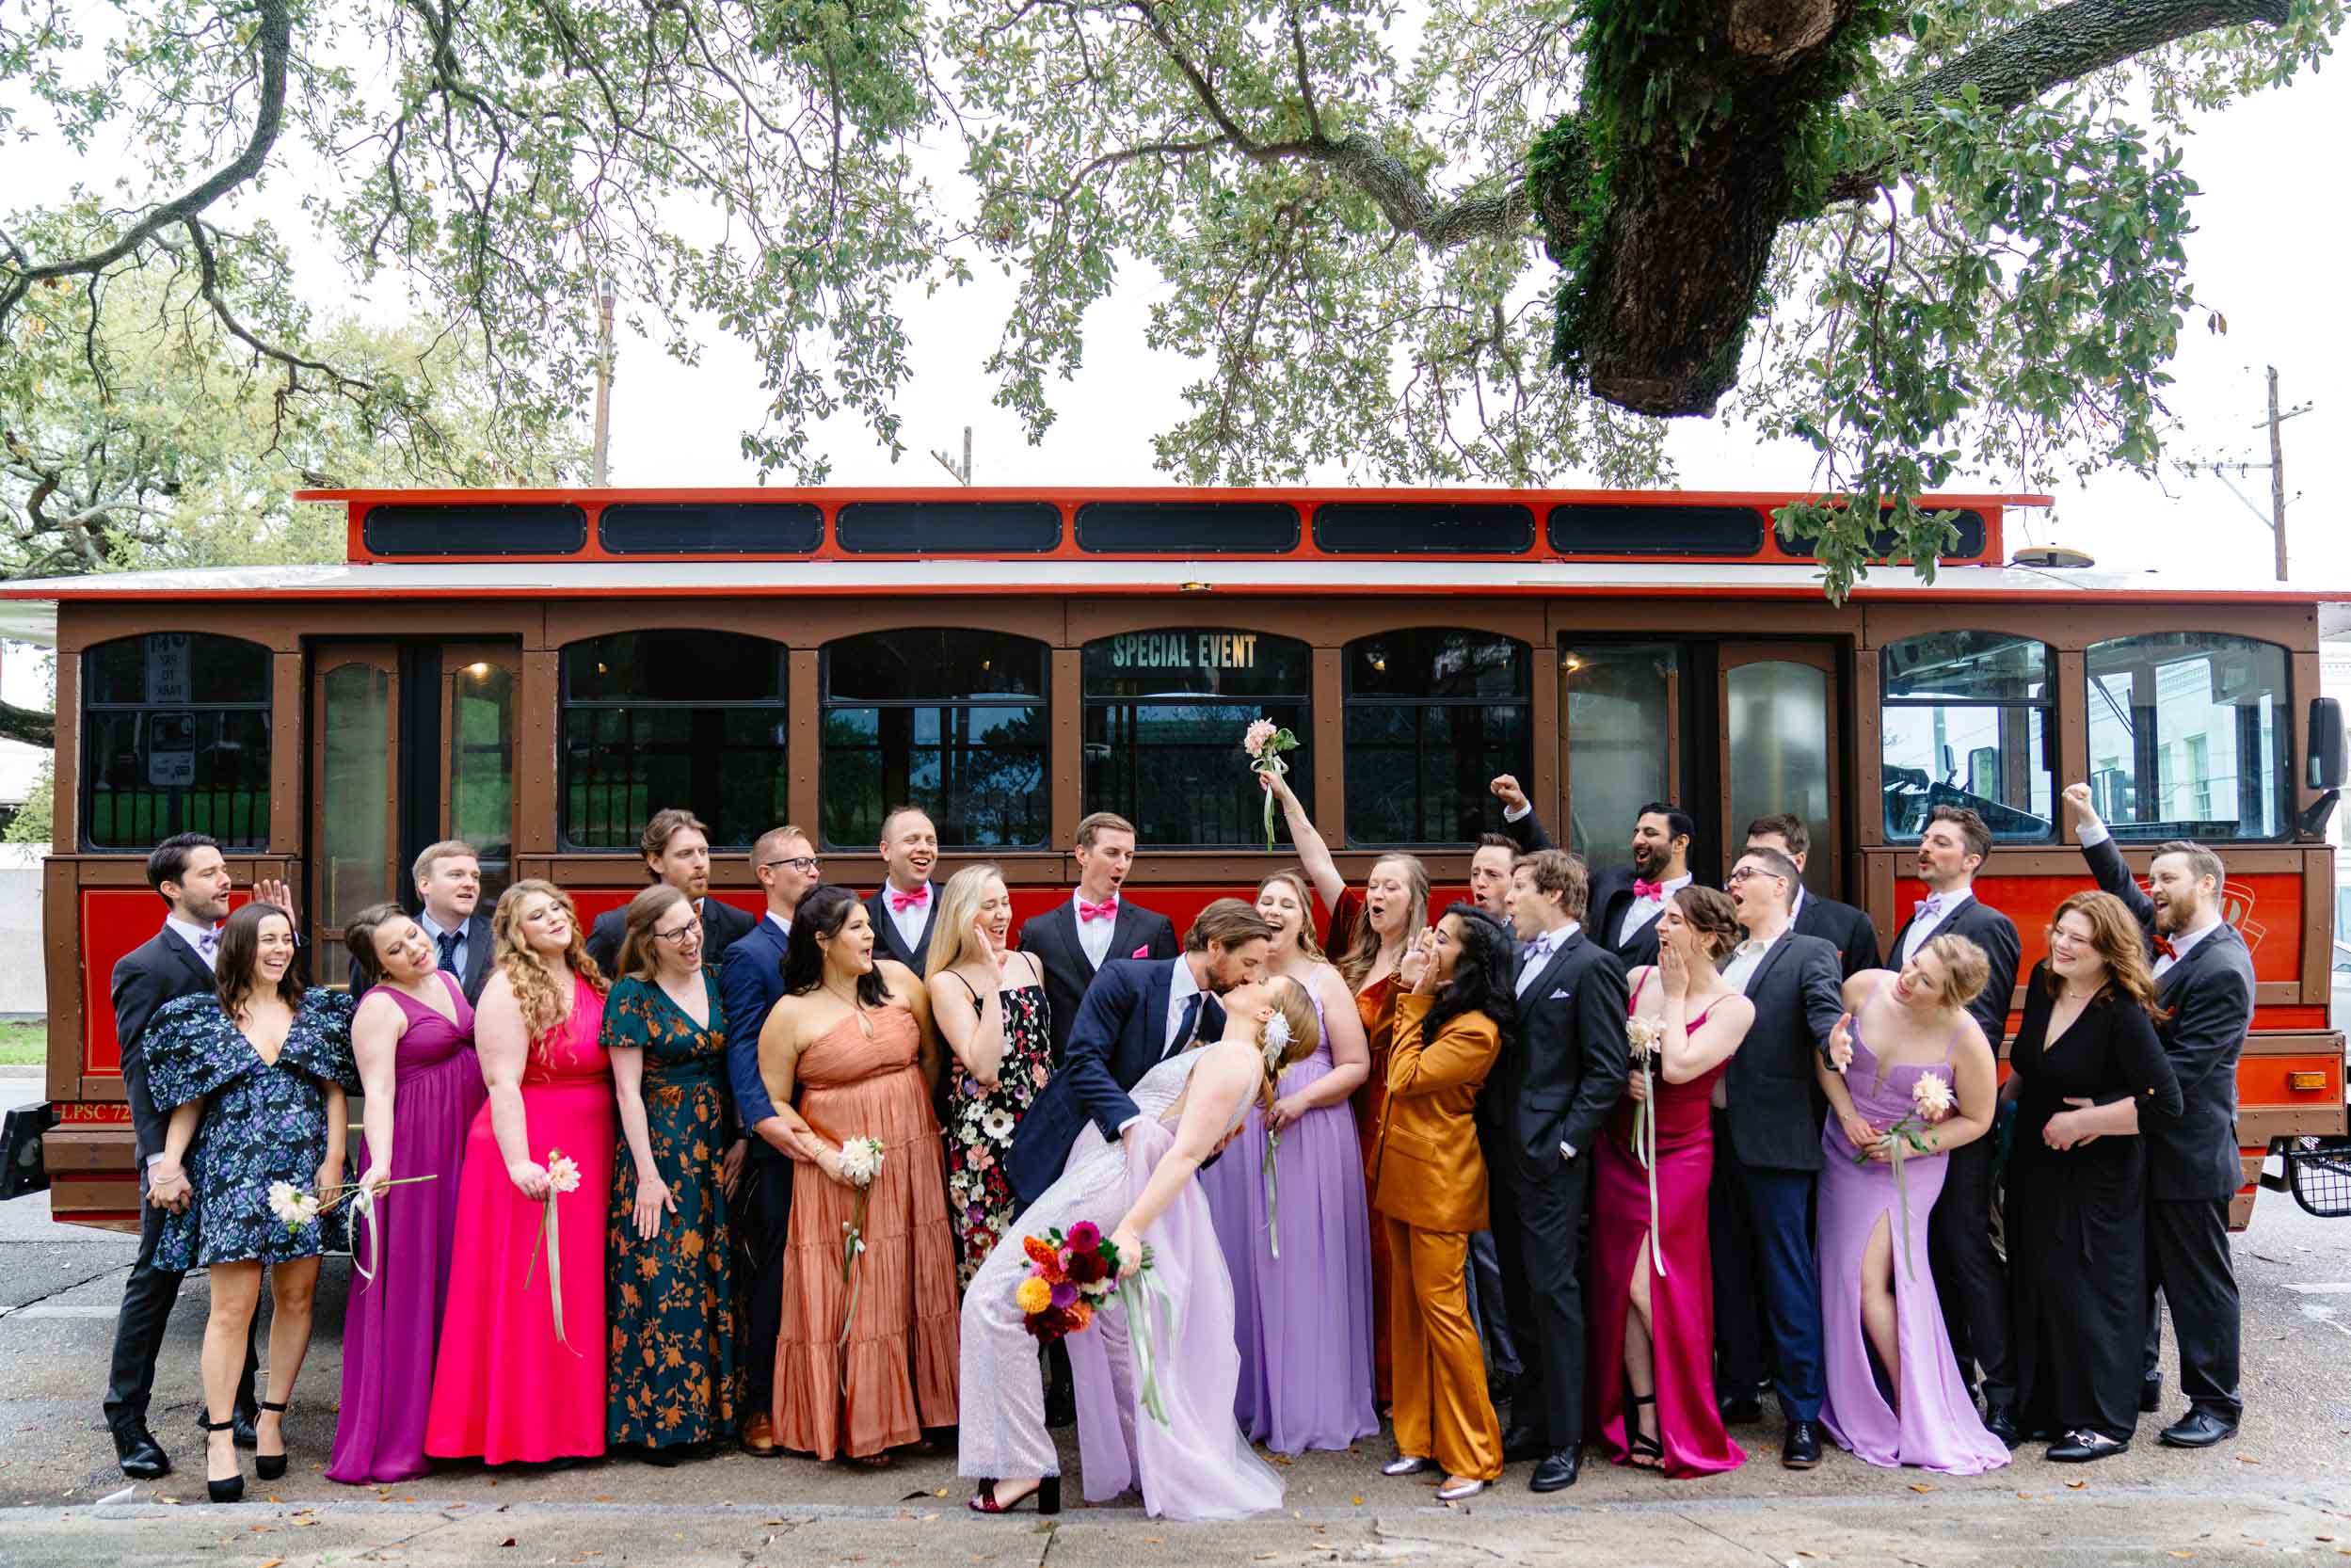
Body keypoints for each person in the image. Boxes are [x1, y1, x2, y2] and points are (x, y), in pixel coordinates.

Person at [958, 975, 1322, 1520]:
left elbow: (1184, 1155)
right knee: (1115, 1330)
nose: (1247, 978)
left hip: (1116, 1181)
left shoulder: (1232, 1061)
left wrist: (1128, 1227)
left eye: (1259, 981)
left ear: (1269, 1015)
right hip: (1114, 1174)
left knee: (992, 1298)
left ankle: (1021, 1462)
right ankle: (1142, 1459)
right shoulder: (1232, 1058)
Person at [141, 902, 358, 1502]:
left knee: (296, 1296)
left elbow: (335, 1092)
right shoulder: (202, 1017)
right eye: (267, 939)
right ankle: (216, 1436)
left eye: (287, 938)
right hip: (232, 1177)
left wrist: (334, 1164)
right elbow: (189, 1103)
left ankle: (271, 1419)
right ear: (239, 945)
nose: (280, 949)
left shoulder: (318, 1011)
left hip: (301, 1174)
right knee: (230, 1311)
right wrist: (170, 1161)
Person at [2063, 784, 2253, 1450]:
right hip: (2144, 1149)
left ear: (2206, 884)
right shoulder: (2166, 937)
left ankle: (2216, 1404)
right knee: (2135, 1272)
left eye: (2166, 880)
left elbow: (2185, 1076)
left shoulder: (2223, 968)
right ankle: (2138, 1379)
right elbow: (2119, 886)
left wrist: (2103, 1112)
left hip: (2188, 1155)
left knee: (2196, 1284)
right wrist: (2091, 825)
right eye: (2152, 881)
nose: (2153, 890)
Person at [759, 884, 958, 1464]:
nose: (870, 935)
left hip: (912, 1151)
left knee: (915, 1275)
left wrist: (916, 1123)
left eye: (870, 924)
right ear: (821, 942)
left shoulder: (902, 982)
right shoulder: (790, 1012)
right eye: (855, 928)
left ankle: (924, 1411)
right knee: (861, 1286)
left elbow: (929, 1059)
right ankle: (865, 1423)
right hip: (842, 1166)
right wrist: (827, 1158)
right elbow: (776, 1102)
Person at [424, 881, 614, 1466]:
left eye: (558, 907)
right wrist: (519, 1163)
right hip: (531, 1148)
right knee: (532, 1289)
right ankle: (524, 1431)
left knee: (581, 1284)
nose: (554, 918)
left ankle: (578, 1427)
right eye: (537, 914)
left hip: (592, 1144)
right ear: (517, 933)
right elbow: (502, 1083)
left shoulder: (589, 978)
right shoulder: (507, 989)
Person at [102, 833, 267, 1480]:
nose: (225, 881)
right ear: (172, 887)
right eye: (209, 873)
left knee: (240, 1276)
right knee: (156, 1282)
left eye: (225, 870)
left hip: (242, 1146)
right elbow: (139, 1071)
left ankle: (236, 1407)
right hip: (180, 1155)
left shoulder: (242, 950)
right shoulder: (145, 966)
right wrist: (156, 1161)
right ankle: (126, 1420)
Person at [1812, 938, 2008, 1476]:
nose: (1908, 979)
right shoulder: (1864, 986)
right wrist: (1847, 1113)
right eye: (1913, 965)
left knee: (1869, 1284)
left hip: (1905, 1168)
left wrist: (1909, 1145)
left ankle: (1910, 1410)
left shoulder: (1965, 1038)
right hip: (1843, 1147)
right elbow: (1825, 1056)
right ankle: (1849, 1397)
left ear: (1948, 998)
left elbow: (1977, 1120)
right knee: (1835, 1277)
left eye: (1925, 981)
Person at [1199, 870, 1377, 1454]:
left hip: (1311, 1133)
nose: (1274, 910)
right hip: (1243, 1131)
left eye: (1285, 903)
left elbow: (1354, 1064)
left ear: (1304, 916)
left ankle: (1310, 1403)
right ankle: (1247, 1402)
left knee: (1303, 1262)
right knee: (1242, 1260)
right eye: (1264, 901)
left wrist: (1299, 1099)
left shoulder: (1324, 979)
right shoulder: (1238, 982)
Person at [1264, 769, 1425, 1403]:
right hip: (1341, 1112)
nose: (1377, 893)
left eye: (1392, 886)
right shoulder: (1353, 943)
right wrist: (1285, 795)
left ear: (1415, 899)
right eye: (1375, 883)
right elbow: (1318, 860)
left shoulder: (1428, 955)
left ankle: (1391, 1381)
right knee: (1341, 1243)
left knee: (1388, 1245)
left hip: (1392, 1106)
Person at [2005, 891, 2183, 1463]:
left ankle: (2104, 1423)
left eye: (2078, 939)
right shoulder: (2044, 979)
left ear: (2108, 951)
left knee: (2093, 1292)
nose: (2061, 943)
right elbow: (2029, 1067)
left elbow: (2165, 1104)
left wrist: (2088, 1119)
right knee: (2040, 1283)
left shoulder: (2121, 1010)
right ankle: (2047, 1411)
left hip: (2098, 1174)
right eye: (2060, 930)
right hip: (2036, 1163)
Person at [1590, 887, 1753, 1478]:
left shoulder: (1735, 1005)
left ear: (1709, 935)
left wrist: (1681, 993)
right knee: (1622, 1291)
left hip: (1680, 1157)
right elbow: (1607, 1054)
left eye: (1677, 920)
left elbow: (1682, 1066)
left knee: (1651, 1283)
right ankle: (1647, 1417)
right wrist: (1624, 1081)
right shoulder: (1637, 978)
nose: (1663, 926)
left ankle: (1690, 1410)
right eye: (1663, 916)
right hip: (1622, 1149)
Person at [327, 902, 487, 1485]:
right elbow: (380, 1095)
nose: (414, 949)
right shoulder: (378, 1008)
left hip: (467, 1137)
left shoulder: (447, 978)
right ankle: (406, 1433)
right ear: (379, 966)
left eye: (413, 936)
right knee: (418, 1282)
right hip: (417, 1149)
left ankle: (459, 1426)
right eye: (396, 950)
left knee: (460, 1275)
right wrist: (383, 1165)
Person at [1486, 850, 1630, 1491]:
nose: (1507, 898)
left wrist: (1569, 1145)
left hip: (1552, 1160)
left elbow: (1605, 1068)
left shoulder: (1595, 967)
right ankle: (1533, 1420)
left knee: (1554, 1293)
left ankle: (1567, 1439)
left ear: (1554, 893)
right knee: (1518, 1293)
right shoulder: (1514, 959)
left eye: (1517, 887)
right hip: (1500, 1153)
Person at [1887, 804, 2023, 1443]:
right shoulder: (1913, 924)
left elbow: (1984, 1023)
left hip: (1952, 1110)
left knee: (1966, 1248)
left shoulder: (1988, 925)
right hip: (1902, 1107)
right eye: (1924, 839)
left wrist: (1936, 1090)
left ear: (1970, 860)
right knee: (1925, 1253)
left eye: (1940, 842)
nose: (1925, 848)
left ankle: (2002, 1391)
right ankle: (1948, 1382)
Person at [1712, 845, 1847, 1467]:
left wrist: (1831, 1037)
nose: (1732, 883)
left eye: (1743, 875)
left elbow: (1823, 1007)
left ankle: (1801, 1413)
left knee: (1786, 1274)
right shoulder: (1726, 957)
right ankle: (1739, 1387)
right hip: (1710, 1137)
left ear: (1780, 885)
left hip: (1775, 1140)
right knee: (1728, 1272)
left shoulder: (1808, 951)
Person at [1372, 906, 1511, 1503]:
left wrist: (1417, 998)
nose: (1432, 942)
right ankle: (1419, 1437)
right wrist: (1408, 986)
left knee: (1446, 1317)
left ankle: (1475, 1453)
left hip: (1440, 1183)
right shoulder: (1438, 1008)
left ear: (1471, 959)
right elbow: (1383, 1043)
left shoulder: (1477, 1028)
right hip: (1403, 1173)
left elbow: (1404, 1076)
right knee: (1409, 1312)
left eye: (1445, 939)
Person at [1006, 900, 1273, 1208]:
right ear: (1215, 947)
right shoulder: (1123, 979)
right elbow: (1082, 1061)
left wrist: (1209, 1144)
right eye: (1249, 963)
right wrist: (1130, 1124)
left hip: (1134, 1181)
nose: (1251, 977)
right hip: (1060, 1150)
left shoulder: (1218, 1022)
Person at [605, 885, 742, 1460]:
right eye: (676, 932)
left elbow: (734, 1065)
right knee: (662, 1279)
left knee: (714, 1273)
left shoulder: (714, 980)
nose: (692, 939)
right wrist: (648, 1176)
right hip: (660, 1146)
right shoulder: (631, 997)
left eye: (694, 926)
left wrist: (738, 1137)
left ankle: (713, 1419)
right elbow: (627, 1093)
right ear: (648, 941)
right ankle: (661, 1424)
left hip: (714, 1147)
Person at [718, 823, 824, 1456]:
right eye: (800, 863)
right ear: (766, 875)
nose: (812, 872)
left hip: (837, 1129)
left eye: (815, 863)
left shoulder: (832, 941)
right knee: (776, 1265)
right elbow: (744, 1049)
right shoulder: (749, 954)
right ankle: (762, 1404)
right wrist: (763, 1124)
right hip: (780, 1138)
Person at [929, 864, 1057, 1288]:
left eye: (1005, 902)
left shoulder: (1031, 962)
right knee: (993, 1263)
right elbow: (982, 1067)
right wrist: (991, 983)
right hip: (987, 1140)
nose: (1002, 914)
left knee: (1049, 1255)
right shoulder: (948, 983)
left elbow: (1044, 1049)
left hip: (1044, 1127)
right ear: (964, 916)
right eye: (989, 906)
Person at [1016, 811, 1180, 1064]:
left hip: (1131, 1081)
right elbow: (1025, 1012)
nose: (1123, 864)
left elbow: (1170, 1010)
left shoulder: (1155, 929)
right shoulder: (1038, 932)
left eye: (1129, 856)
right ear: (1082, 855)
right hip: (1063, 1077)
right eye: (1112, 853)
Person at [1459, 834, 1527, 1400]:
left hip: (1507, 1120)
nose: (1479, 882)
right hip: (1463, 1114)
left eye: (1493, 874)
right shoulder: (1460, 941)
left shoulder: (1523, 948)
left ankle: (1510, 1360)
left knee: (1494, 1249)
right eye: (1476, 872)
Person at [1494, 776, 1692, 968]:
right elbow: (1554, 867)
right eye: (1636, 832)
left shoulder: (1696, 907)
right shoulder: (1612, 881)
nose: (1637, 841)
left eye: (1650, 833)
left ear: (1680, 843)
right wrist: (1520, 809)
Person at [586, 808, 757, 975]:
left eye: (703, 852)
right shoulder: (613, 928)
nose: (700, 863)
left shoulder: (739, 924)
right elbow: (590, 993)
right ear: (655, 861)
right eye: (685, 854)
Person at [346, 840, 496, 1005]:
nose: (470, 884)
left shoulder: (501, 937)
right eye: (456, 875)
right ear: (424, 885)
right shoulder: (383, 942)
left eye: (475, 877)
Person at [1744, 814, 1881, 980]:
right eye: (1749, 855)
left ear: (1799, 861)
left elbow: (1868, 995)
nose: (1754, 865)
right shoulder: (1731, 921)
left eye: (1769, 856)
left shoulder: (1850, 924)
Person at [864, 806, 945, 971]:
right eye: (911, 840)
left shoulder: (958, 905)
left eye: (931, 841)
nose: (924, 848)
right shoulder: (863, 913)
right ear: (886, 851)